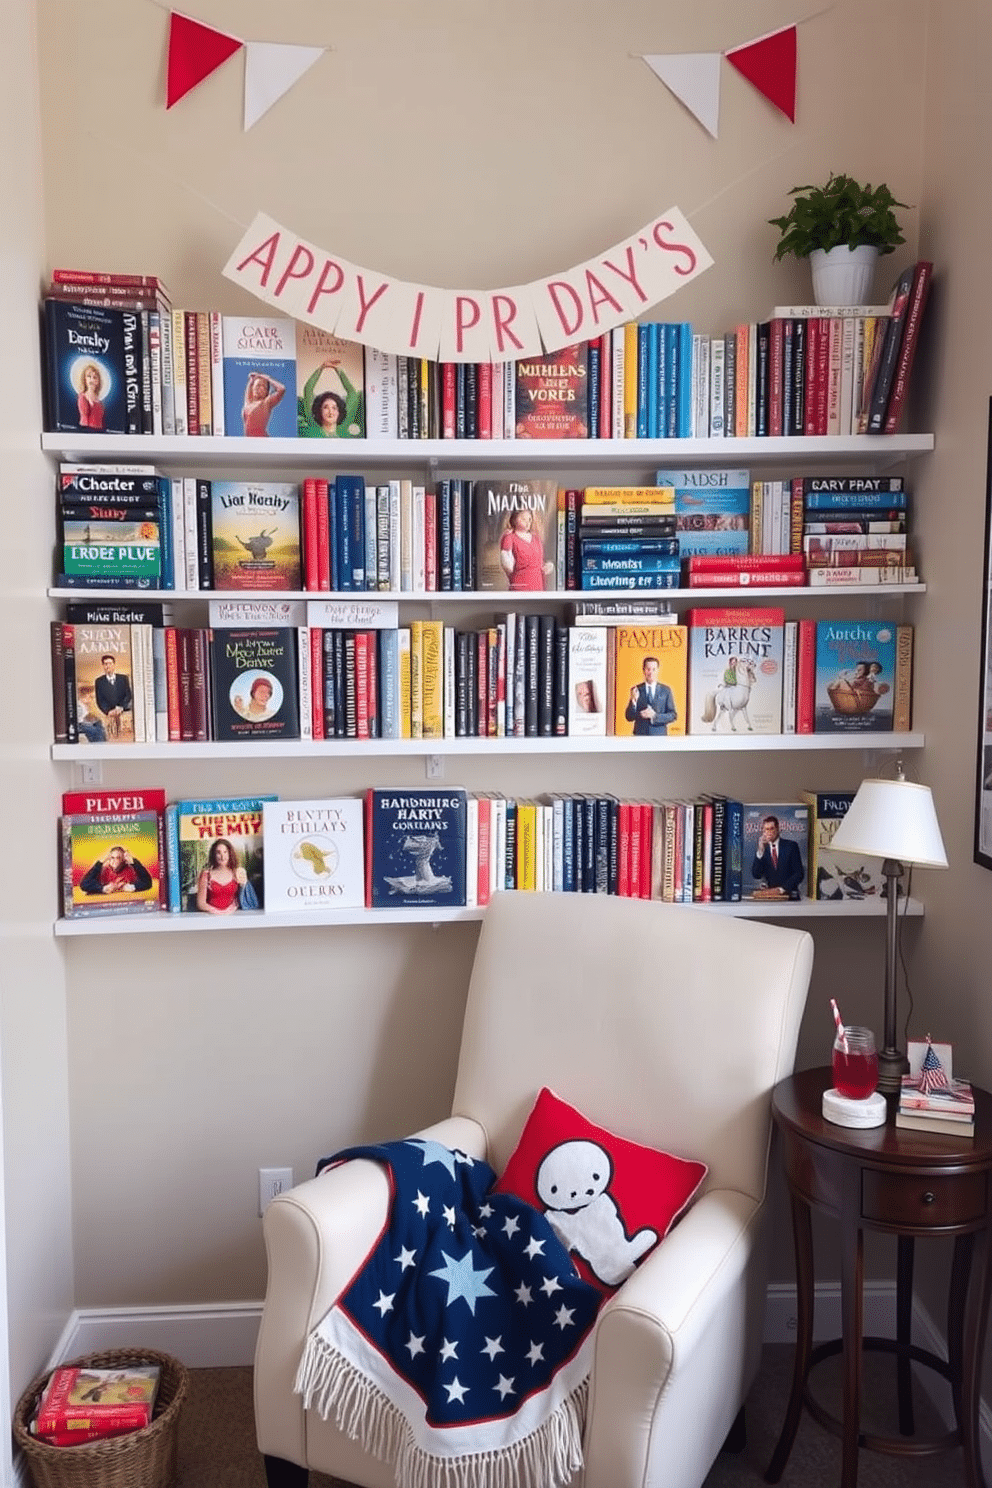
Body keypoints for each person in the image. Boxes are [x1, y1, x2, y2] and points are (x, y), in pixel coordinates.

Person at [298, 357, 364, 438]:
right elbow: (308, 389)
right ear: (319, 411)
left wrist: (338, 370)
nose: (330, 411)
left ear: (339, 412)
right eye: (326, 407)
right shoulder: (314, 425)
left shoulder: (343, 427)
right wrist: (322, 367)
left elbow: (352, 394)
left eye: (334, 408)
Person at [750, 814, 805, 899]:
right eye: (766, 829)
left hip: (789, 896)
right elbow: (756, 875)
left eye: (772, 829)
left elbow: (799, 874)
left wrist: (782, 889)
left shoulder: (791, 846)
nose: (769, 832)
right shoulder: (762, 850)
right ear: (763, 832)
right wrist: (760, 851)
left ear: (778, 829)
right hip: (770, 897)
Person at [499, 508, 554, 592]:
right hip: (520, 585)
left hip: (538, 585)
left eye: (529, 519)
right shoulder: (510, 537)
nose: (527, 522)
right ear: (514, 520)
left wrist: (548, 566)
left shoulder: (536, 538)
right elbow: (507, 563)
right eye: (523, 519)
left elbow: (540, 562)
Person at [624, 655, 677, 736]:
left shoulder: (666, 690)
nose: (651, 672)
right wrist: (634, 702)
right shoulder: (636, 689)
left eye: (654, 669)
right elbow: (629, 717)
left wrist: (655, 716)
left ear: (658, 670)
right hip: (640, 736)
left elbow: (673, 716)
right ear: (643, 670)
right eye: (648, 669)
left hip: (659, 737)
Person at [196, 838, 247, 915]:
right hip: (211, 917)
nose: (222, 856)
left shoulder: (236, 873)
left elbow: (242, 896)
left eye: (225, 852)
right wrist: (219, 913)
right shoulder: (206, 875)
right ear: (214, 854)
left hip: (233, 916)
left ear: (230, 854)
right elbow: (201, 904)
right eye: (218, 852)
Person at [79, 844, 153, 896]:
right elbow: (84, 885)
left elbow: (148, 883)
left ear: (124, 860)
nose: (114, 861)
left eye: (118, 858)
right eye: (112, 857)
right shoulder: (103, 870)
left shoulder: (131, 869)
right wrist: (103, 889)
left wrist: (134, 862)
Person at [93, 653, 133, 739]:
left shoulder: (123, 678)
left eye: (110, 663)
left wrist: (121, 707)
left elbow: (128, 694)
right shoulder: (99, 681)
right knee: (111, 736)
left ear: (114, 665)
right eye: (106, 664)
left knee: (125, 737)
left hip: (123, 712)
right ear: (103, 666)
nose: (108, 666)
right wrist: (108, 711)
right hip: (109, 715)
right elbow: (99, 699)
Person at [241, 371, 286, 437]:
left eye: (261, 386)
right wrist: (252, 381)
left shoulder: (266, 402)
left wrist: (267, 378)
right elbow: (249, 389)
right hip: (250, 442)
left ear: (267, 391)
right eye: (256, 385)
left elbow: (282, 389)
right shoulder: (249, 403)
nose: (257, 387)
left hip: (263, 442)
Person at [76, 362, 105, 430]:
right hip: (87, 430)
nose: (91, 380)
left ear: (98, 381)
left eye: (94, 377)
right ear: (85, 379)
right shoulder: (83, 397)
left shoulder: (99, 401)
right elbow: (84, 417)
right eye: (89, 376)